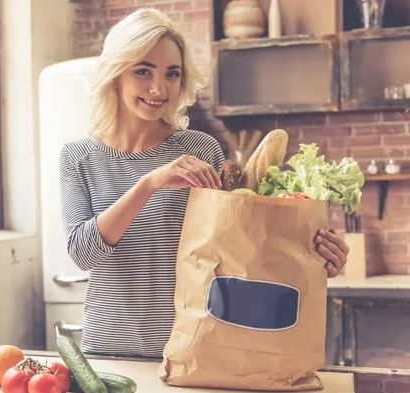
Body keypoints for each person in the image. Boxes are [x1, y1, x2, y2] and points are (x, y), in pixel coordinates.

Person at [58, 8, 349, 359]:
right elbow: (83, 253)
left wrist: (310, 254)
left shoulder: (200, 150)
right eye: (143, 71)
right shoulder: (78, 157)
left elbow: (235, 251)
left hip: (192, 350)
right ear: (116, 74)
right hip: (107, 352)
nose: (158, 88)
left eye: (172, 74)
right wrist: (149, 183)